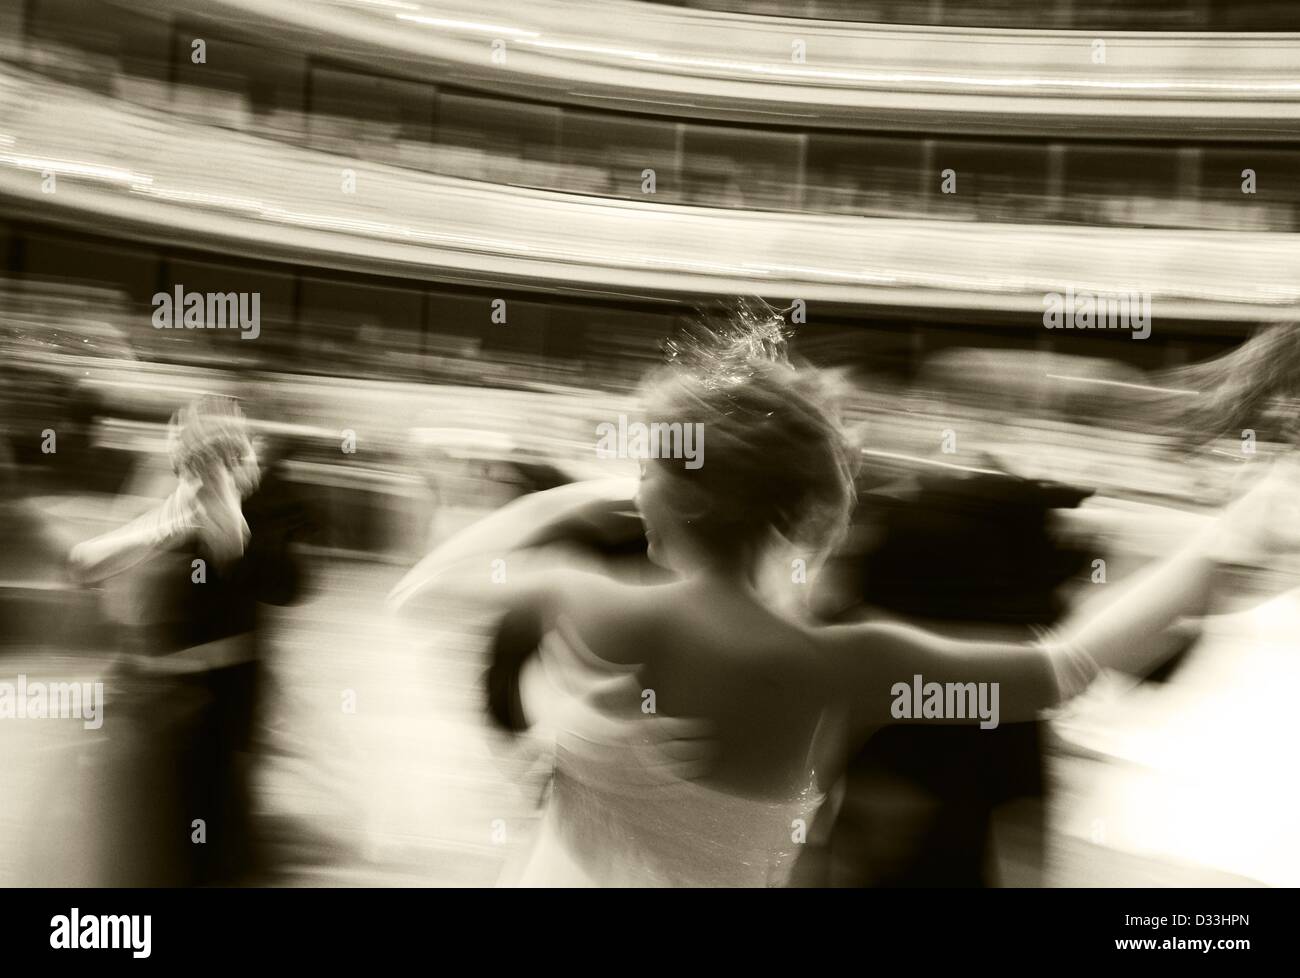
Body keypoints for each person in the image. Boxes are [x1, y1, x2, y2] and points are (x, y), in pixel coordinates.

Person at [392, 312, 1300, 887]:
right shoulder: (854, 667)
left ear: (694, 489)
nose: (634, 493)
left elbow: (423, 597)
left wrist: (571, 497)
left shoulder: (597, 603)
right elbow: (1064, 670)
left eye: (646, 470)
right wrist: (1223, 544)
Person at [70, 394, 307, 885]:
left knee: (203, 852)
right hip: (151, 712)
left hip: (208, 719)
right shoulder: (170, 506)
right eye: (193, 456)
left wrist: (223, 508)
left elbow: (281, 582)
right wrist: (170, 521)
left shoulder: (259, 515)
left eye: (224, 457)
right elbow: (85, 563)